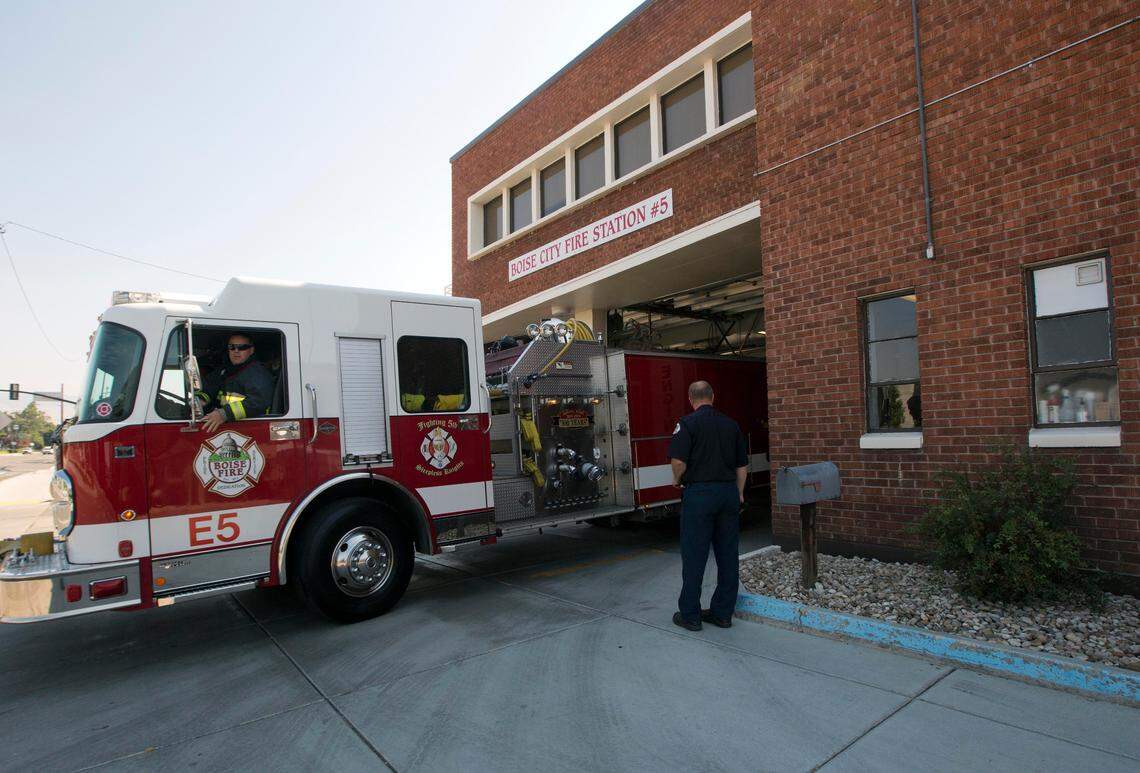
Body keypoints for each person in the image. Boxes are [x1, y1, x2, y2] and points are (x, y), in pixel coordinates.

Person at [667, 380, 749, 631]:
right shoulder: (731, 424)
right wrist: (739, 493)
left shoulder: (687, 424)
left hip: (700, 494)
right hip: (728, 493)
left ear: (690, 399)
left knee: (695, 554)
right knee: (727, 555)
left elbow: (678, 462)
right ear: (713, 396)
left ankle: (690, 615)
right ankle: (723, 613)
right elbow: (741, 466)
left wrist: (677, 480)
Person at [197, 332, 275, 433]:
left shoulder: (257, 373)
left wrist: (224, 414)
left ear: (251, 350)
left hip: (250, 428)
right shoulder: (225, 370)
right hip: (226, 426)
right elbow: (210, 386)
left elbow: (258, 403)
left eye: (242, 347)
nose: (236, 351)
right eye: (232, 347)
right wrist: (200, 400)